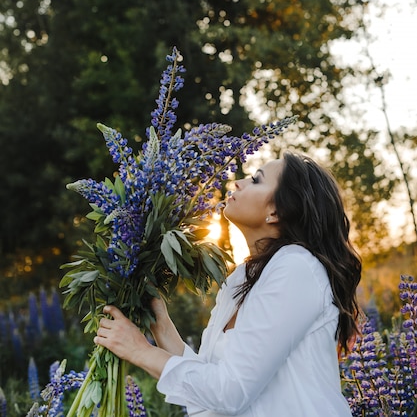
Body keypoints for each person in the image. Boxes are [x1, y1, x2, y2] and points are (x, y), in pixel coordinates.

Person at [94, 151, 362, 416]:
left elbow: (231, 391)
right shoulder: (242, 277)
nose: (238, 183)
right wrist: (161, 326)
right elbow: (210, 388)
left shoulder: (296, 267)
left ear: (276, 211)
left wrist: (139, 350)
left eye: (256, 180)